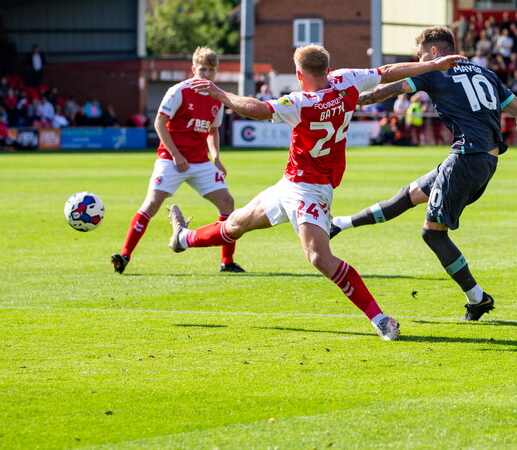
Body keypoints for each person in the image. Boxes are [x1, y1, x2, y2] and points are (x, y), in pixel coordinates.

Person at [167, 44, 466, 341]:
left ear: (300, 74)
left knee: (319, 257)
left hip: (311, 189)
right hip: (290, 184)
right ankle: (182, 238)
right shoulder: (346, 80)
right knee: (235, 224)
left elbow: (258, 109)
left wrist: (220, 94)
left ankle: (381, 320)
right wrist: (434, 63)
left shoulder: (302, 102)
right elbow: (387, 72)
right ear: (326, 67)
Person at [329, 26, 517, 320]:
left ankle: (477, 298)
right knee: (408, 195)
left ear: (433, 51)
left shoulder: (435, 70)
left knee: (433, 234)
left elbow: (384, 91)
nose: (419, 61)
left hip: (465, 158)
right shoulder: (486, 73)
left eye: (420, 56)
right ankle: (339, 224)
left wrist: (342, 101)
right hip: (483, 161)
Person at [111, 47, 242, 274]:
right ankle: (124, 255)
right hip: (171, 160)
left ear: (216, 72)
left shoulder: (216, 97)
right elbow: (159, 124)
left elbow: (212, 131)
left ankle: (227, 262)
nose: (207, 74)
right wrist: (176, 155)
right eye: (202, 69)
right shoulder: (178, 91)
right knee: (151, 205)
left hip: (200, 162)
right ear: (193, 69)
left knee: (227, 203)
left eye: (211, 70)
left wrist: (217, 159)